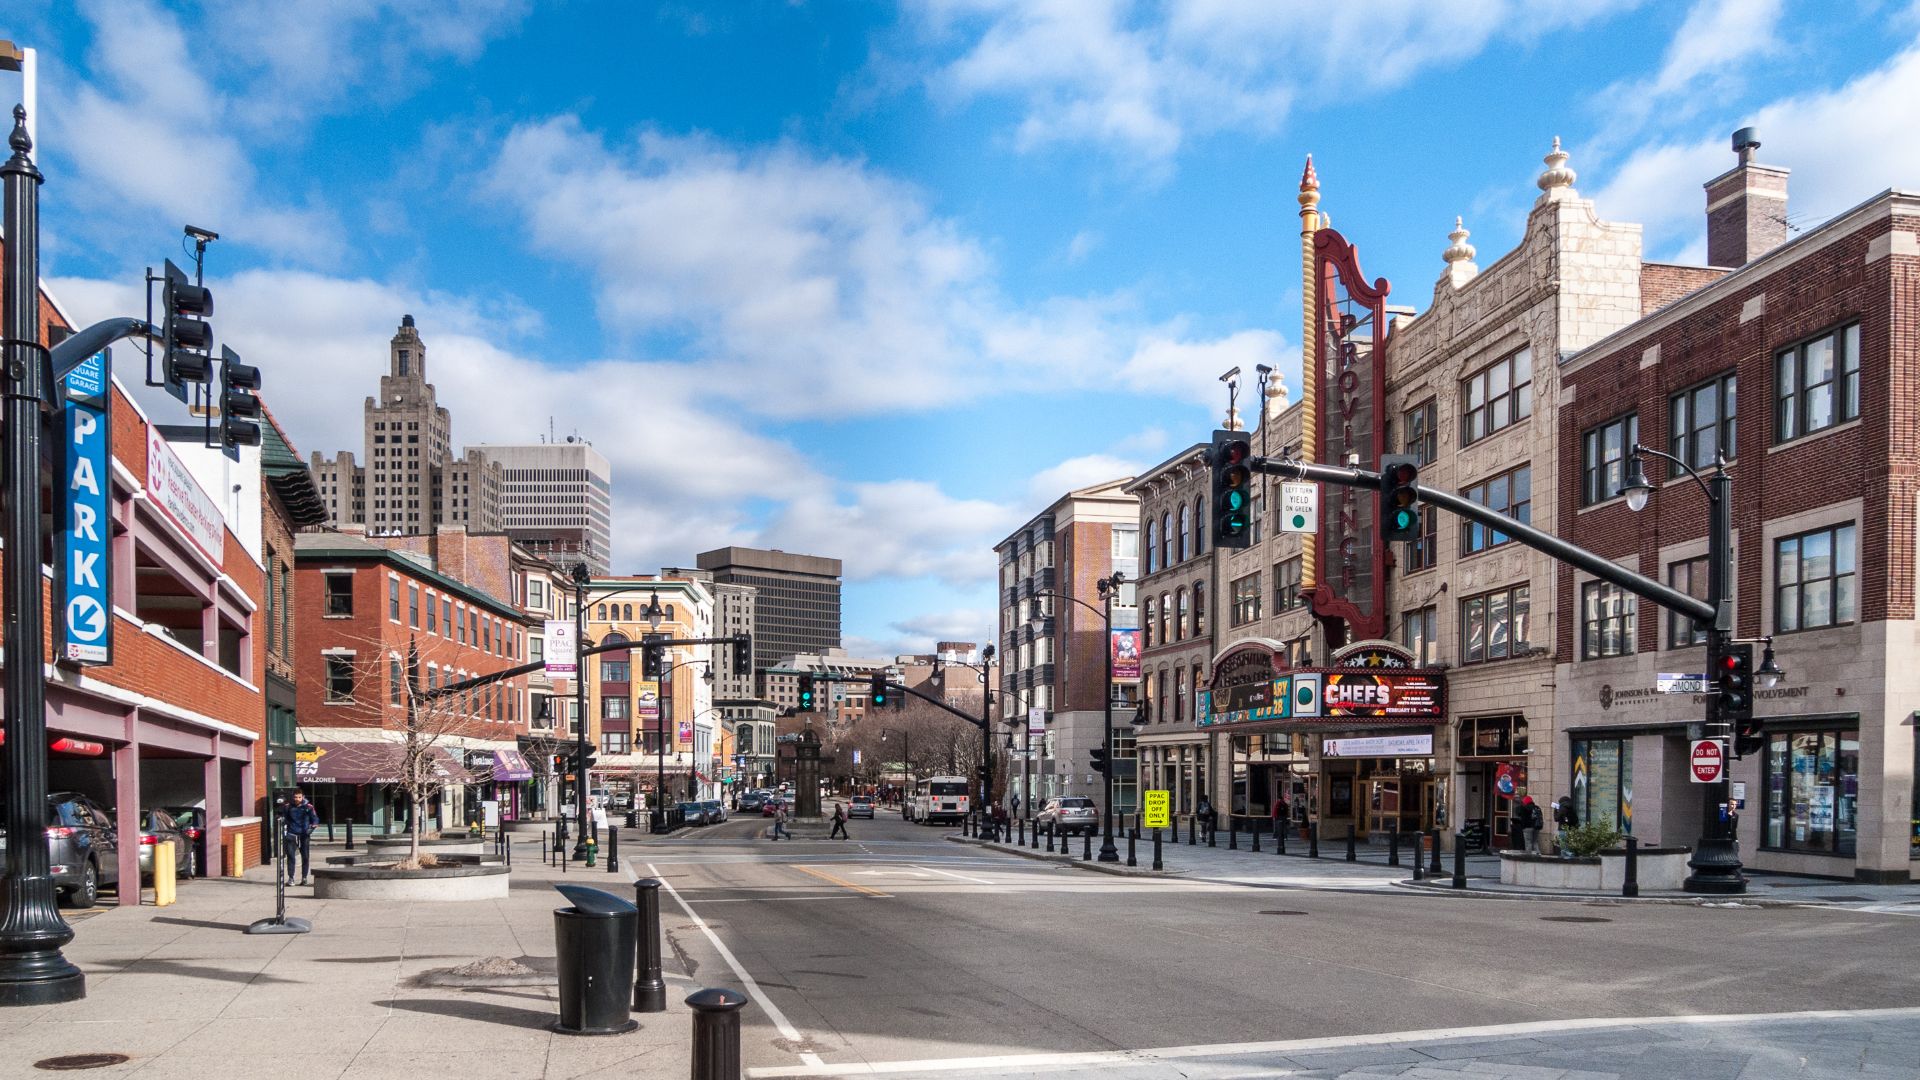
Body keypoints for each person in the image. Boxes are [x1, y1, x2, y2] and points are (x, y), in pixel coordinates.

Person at [280, 789, 319, 886]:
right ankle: (291, 878)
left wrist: (312, 828)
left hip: (304, 835)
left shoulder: (308, 807)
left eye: (299, 797)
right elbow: (283, 818)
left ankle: (304, 878)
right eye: (295, 797)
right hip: (291, 834)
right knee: (291, 857)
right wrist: (282, 823)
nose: (297, 799)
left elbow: (315, 819)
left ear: (303, 797)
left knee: (305, 857)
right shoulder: (288, 807)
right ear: (293, 797)